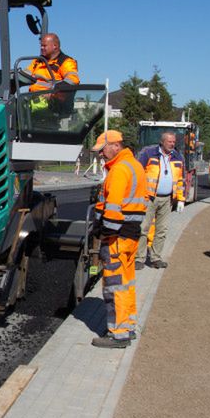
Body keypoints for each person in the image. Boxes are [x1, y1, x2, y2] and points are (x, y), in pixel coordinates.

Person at [91, 129, 147, 348]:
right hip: (130, 236)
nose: (101, 154)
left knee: (114, 285)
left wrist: (104, 234)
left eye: (102, 149)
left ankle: (118, 334)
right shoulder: (134, 165)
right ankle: (128, 326)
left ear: (115, 146)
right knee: (126, 283)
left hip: (117, 238)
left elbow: (113, 210)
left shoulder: (119, 170)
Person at [135, 131, 185, 270]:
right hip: (149, 197)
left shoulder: (178, 157)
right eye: (169, 141)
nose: (172, 144)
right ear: (162, 142)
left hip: (167, 199)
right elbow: (138, 173)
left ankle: (156, 258)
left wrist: (181, 199)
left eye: (174, 142)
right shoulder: (149, 154)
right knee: (143, 228)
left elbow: (180, 180)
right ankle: (139, 258)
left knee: (162, 230)